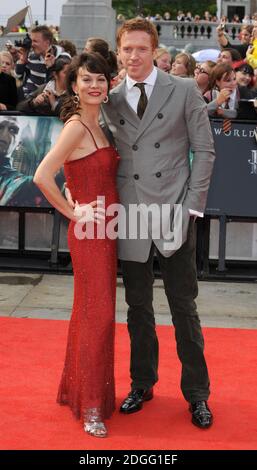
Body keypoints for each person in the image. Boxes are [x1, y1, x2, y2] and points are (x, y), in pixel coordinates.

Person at [101, 18, 215, 429]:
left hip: (173, 211)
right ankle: (142, 383)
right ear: (119, 53)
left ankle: (197, 395)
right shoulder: (109, 98)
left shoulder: (182, 89)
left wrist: (191, 207)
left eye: (141, 49)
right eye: (127, 49)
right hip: (130, 215)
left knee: (184, 307)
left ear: (155, 50)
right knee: (137, 308)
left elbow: (205, 151)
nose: (134, 56)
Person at [33, 52, 120, 438]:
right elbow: (41, 175)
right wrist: (73, 212)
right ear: (74, 84)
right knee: (96, 317)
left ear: (109, 83)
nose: (94, 86)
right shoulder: (75, 127)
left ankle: (80, 391)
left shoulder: (99, 124)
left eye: (100, 79)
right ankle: (89, 409)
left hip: (107, 232)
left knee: (92, 314)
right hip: (89, 234)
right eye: (86, 79)